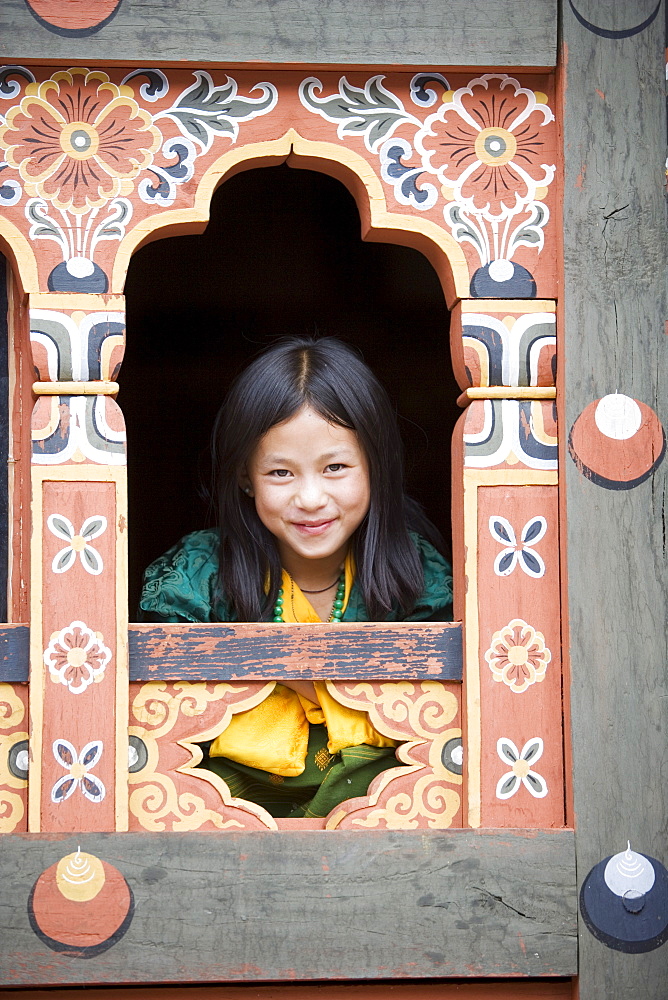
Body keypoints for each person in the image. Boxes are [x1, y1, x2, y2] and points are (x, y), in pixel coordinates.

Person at [140, 337, 453, 818]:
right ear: (245, 476)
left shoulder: (416, 576)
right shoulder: (199, 578)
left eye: (336, 468)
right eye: (281, 473)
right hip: (223, 803)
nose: (310, 498)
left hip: (383, 806)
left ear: (375, 468)